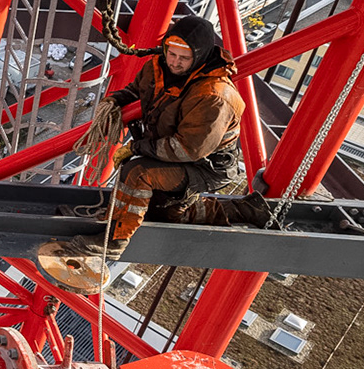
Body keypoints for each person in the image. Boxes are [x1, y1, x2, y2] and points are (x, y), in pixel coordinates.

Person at [88, 15, 246, 254]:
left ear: (200, 57)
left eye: (184, 58)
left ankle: (114, 241)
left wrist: (136, 148)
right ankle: (240, 210)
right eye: (171, 54)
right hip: (172, 147)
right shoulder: (156, 66)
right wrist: (116, 100)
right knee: (163, 211)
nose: (175, 62)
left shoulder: (214, 96)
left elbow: (187, 149)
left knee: (137, 173)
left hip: (204, 165)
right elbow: (137, 90)